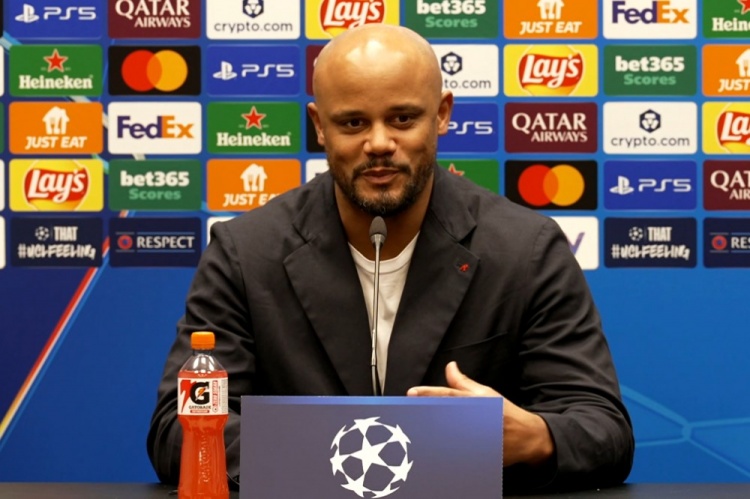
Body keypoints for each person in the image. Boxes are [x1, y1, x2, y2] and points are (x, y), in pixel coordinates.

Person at [147, 24, 634, 493]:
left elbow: (602, 429)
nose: (379, 144)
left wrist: (535, 438)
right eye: (353, 123)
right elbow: (179, 430)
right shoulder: (245, 252)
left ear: (442, 114)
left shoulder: (526, 250)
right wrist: (363, 459)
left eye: (402, 119)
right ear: (319, 126)